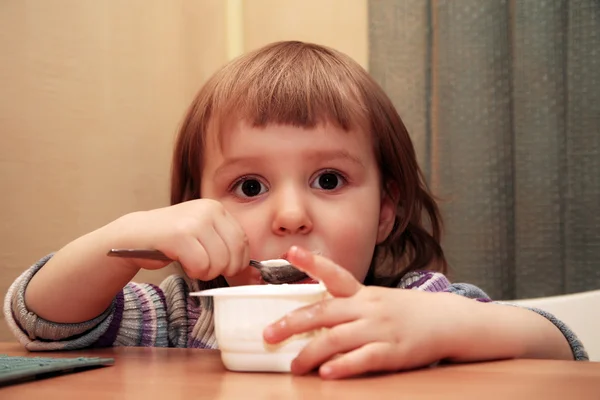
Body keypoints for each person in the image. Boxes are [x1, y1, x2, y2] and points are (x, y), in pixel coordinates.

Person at [4, 41, 587, 379]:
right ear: (196, 212)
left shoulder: (410, 305)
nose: (289, 215)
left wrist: (447, 327)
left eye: (328, 179)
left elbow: (564, 344)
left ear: (386, 213)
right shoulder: (180, 316)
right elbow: (42, 323)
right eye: (250, 186)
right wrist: (124, 236)